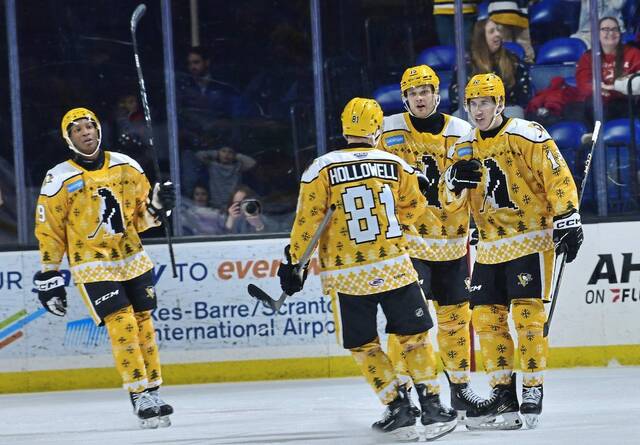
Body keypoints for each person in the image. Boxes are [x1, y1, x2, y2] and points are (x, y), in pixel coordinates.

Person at [277, 97, 457, 442]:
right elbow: (415, 209)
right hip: (395, 266)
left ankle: (398, 408)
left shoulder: (321, 168)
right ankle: (433, 407)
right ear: (377, 129)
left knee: (364, 344)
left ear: (345, 128)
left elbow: (307, 223)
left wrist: (294, 263)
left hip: (347, 273)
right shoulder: (395, 164)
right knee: (414, 338)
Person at [440, 74, 583, 430]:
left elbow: (558, 175)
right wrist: (452, 184)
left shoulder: (527, 134)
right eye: (472, 104)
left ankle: (532, 388)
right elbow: (447, 201)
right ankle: (503, 392)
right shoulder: (463, 147)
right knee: (486, 321)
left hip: (530, 238)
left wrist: (568, 215)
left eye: (485, 103)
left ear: (500, 104)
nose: (478, 110)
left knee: (526, 318)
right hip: (488, 247)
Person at [34, 108, 177, 429]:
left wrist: (159, 205)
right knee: (122, 323)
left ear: (99, 130)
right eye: (78, 130)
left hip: (132, 257)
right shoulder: (58, 179)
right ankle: (138, 393)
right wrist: (49, 273)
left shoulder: (127, 166)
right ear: (67, 138)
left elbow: (142, 218)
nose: (86, 133)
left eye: (90, 127)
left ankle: (154, 389)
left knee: (144, 324)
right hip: (92, 264)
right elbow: (49, 230)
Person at [379, 64, 485, 423]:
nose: (420, 98)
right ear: (404, 97)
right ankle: (406, 396)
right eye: (413, 93)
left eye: (425, 91)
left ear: (437, 94)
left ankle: (459, 390)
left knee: (456, 319)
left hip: (453, 244)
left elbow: (477, 183)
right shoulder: (388, 130)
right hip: (409, 244)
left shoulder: (462, 132)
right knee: (410, 322)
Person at [450, 18, 532, 118]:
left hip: (506, 110)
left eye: (498, 30)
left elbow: (524, 95)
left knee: (516, 113)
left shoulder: (512, 60)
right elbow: (456, 98)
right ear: (482, 38)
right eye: (491, 31)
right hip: (475, 112)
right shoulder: (467, 64)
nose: (498, 34)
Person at [576, 16, 640, 124]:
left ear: (620, 33)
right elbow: (583, 83)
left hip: (628, 103)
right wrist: (596, 88)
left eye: (615, 29)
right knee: (591, 105)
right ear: (597, 34)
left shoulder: (633, 53)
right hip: (601, 104)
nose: (610, 33)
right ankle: (595, 136)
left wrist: (613, 89)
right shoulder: (588, 57)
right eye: (605, 29)